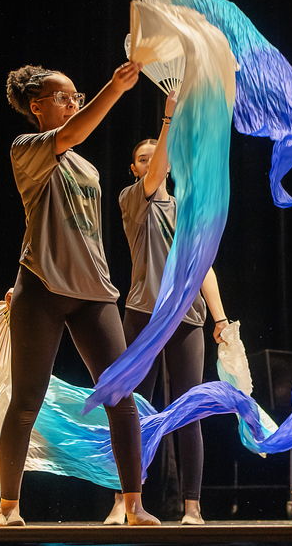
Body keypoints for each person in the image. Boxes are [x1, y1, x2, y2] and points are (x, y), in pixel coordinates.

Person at [0, 62, 160, 526]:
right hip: (43, 287)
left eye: (77, 95)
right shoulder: (26, 148)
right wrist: (114, 87)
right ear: (38, 106)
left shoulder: (85, 165)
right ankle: (8, 506)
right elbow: (73, 133)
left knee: (119, 395)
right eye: (64, 98)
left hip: (93, 291)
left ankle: (133, 504)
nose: (74, 103)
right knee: (27, 397)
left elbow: (86, 231)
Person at [102, 91, 230, 525]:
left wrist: (220, 319)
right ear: (135, 169)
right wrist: (169, 116)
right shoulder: (131, 199)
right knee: (132, 409)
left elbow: (204, 267)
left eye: (156, 157)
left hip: (187, 318)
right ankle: (125, 501)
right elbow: (154, 177)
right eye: (142, 159)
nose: (150, 162)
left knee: (188, 409)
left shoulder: (189, 210)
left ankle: (192, 507)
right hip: (143, 314)